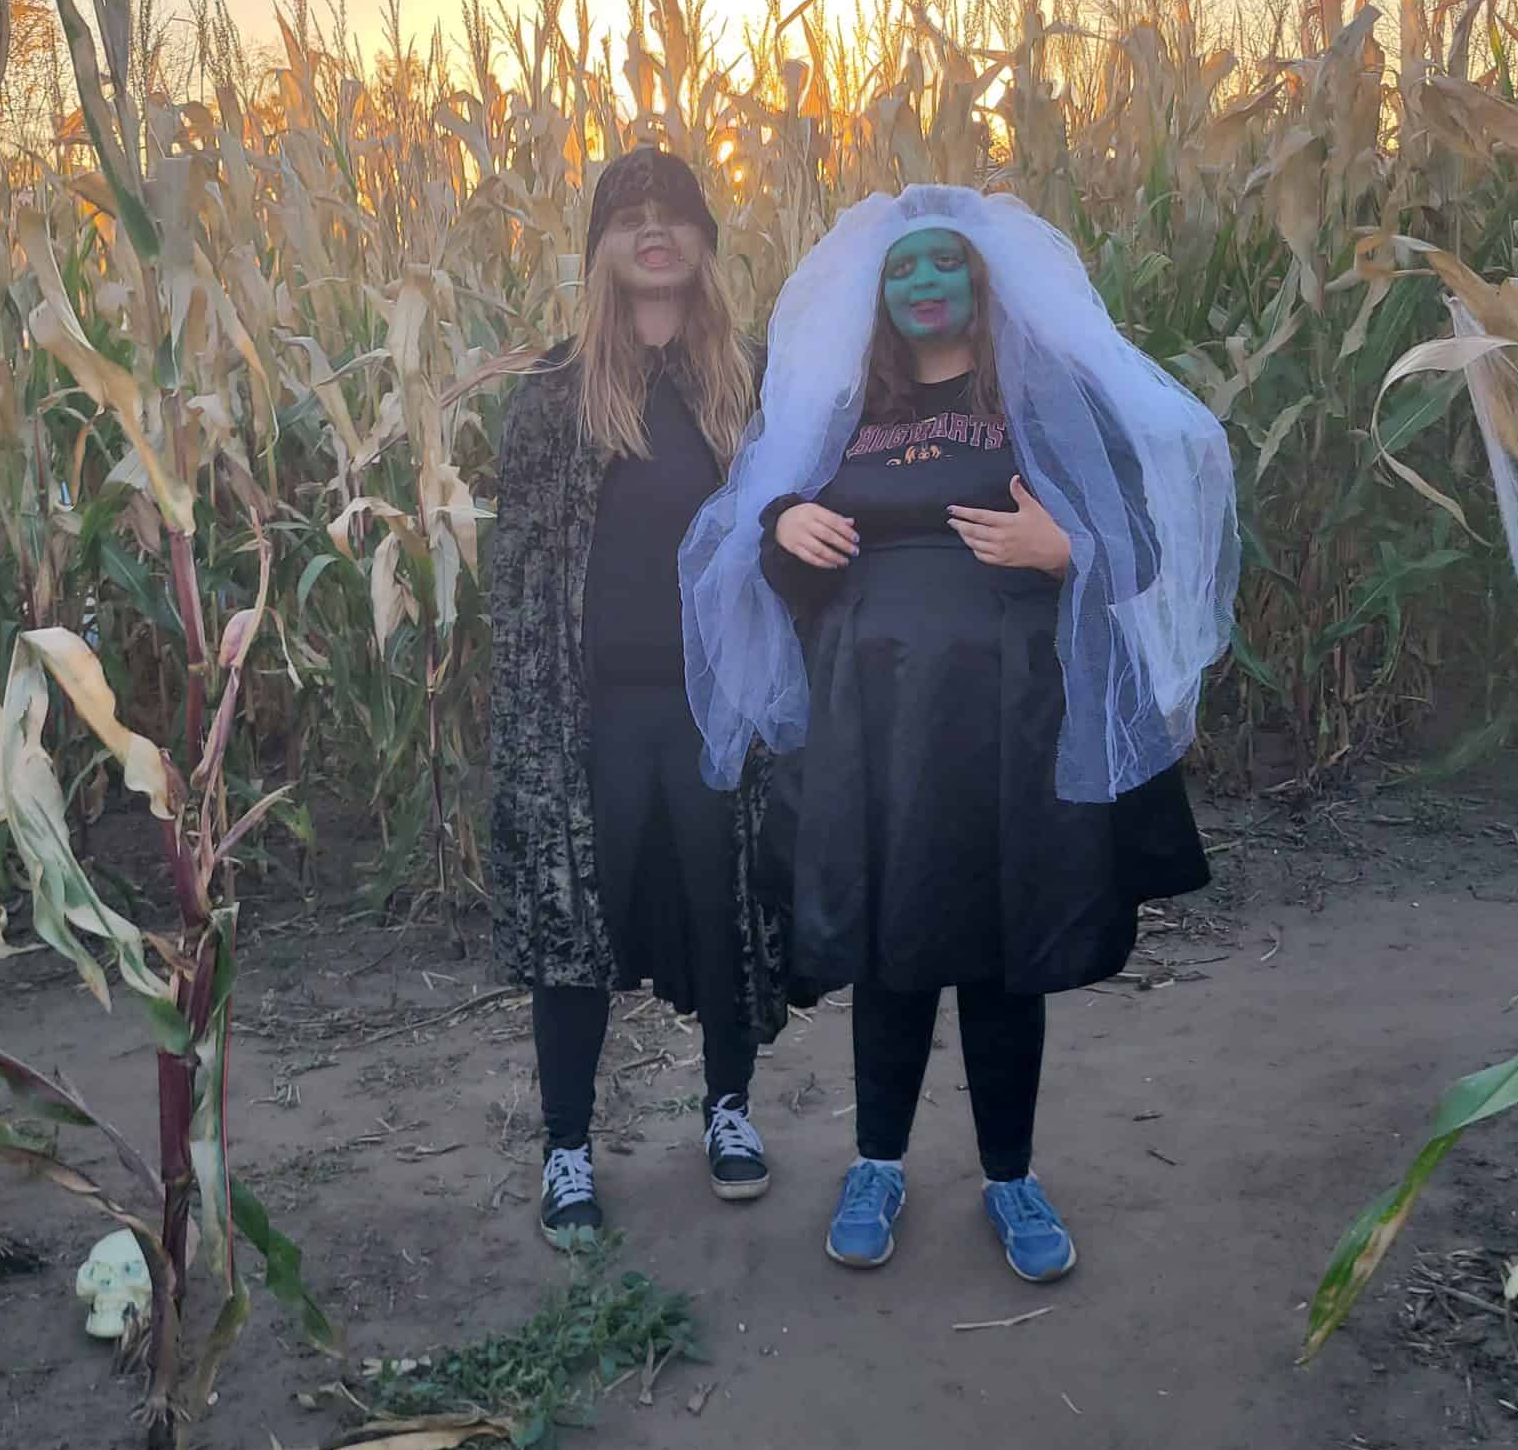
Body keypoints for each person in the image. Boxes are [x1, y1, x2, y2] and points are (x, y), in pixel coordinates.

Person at [681, 184, 1237, 1282]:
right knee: (893, 946)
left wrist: (1063, 549)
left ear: (981, 277)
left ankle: (1010, 1174)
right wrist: (781, 519)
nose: (925, 283)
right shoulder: (842, 410)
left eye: (945, 263)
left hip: (1016, 716)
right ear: (876, 294)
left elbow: (1147, 547)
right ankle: (876, 1162)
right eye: (904, 268)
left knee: (1003, 946)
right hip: (874, 719)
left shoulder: (1042, 397)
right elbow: (775, 567)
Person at [489, 146, 789, 1246]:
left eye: (674, 217)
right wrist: (528, 730)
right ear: (601, 249)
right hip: (593, 712)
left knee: (727, 910)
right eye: (629, 217)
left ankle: (727, 1111)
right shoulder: (554, 395)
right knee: (577, 926)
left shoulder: (751, 384)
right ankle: (567, 1145)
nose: (653, 233)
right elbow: (519, 579)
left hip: (720, 710)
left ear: (705, 241)